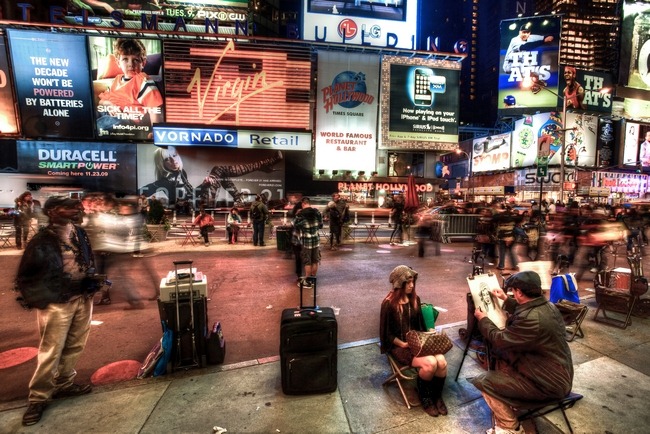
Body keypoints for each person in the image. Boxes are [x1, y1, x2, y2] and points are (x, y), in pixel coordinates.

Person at [14, 196, 103, 426]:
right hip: (57, 302)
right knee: (51, 350)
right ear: (53, 211)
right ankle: (38, 398)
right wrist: (45, 299)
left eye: (77, 206)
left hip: (82, 297)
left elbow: (86, 258)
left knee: (75, 344)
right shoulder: (42, 240)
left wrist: (91, 280)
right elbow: (27, 276)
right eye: (70, 207)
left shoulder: (79, 232)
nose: (77, 209)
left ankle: (64, 383)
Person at [471, 271, 573, 434]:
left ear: (519, 292)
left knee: (485, 381)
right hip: (556, 373)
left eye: (513, 291)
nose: (512, 293)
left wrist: (483, 319)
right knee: (502, 362)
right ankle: (510, 401)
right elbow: (525, 307)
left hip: (547, 384)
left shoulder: (531, 319)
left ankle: (510, 427)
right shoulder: (548, 306)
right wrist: (505, 299)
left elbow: (499, 339)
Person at [380, 265, 448, 417]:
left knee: (442, 361)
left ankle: (436, 396)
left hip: (417, 342)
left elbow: (420, 327)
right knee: (430, 363)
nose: (411, 285)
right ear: (399, 284)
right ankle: (425, 398)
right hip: (400, 347)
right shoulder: (388, 304)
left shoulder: (415, 299)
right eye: (408, 282)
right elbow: (386, 335)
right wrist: (404, 344)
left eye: (413, 282)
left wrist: (428, 333)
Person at [96, 38, 163, 137]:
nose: (130, 64)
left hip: (126, 120)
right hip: (108, 112)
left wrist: (156, 132)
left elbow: (154, 108)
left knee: (105, 125)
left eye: (135, 60)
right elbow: (101, 101)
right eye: (125, 59)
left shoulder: (142, 81)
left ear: (143, 63)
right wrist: (109, 104)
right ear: (118, 62)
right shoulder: (116, 80)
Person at [293, 197, 323, 289]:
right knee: (315, 260)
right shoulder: (317, 212)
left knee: (307, 261)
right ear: (309, 203)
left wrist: (297, 216)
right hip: (316, 240)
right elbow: (321, 225)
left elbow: (295, 225)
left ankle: (307, 281)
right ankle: (313, 279)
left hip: (306, 241)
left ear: (303, 204)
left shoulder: (301, 215)